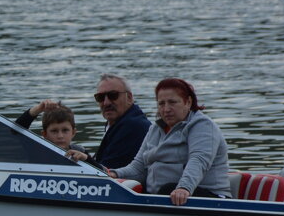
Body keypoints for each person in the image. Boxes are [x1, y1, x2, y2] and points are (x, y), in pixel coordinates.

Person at [108, 77, 231, 205]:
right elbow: (138, 168)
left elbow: (198, 160)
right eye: (161, 103)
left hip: (210, 199)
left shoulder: (203, 125)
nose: (166, 109)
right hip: (164, 198)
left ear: (188, 102)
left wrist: (184, 188)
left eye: (172, 102)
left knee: (168, 189)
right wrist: (113, 174)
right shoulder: (154, 129)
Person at [68, 74, 150, 168]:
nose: (106, 103)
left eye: (113, 95)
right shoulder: (117, 124)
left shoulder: (133, 126)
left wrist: (86, 158)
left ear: (129, 97)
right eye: (101, 98)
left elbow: (108, 172)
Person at [13, 101, 87, 152]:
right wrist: (37, 109)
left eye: (65, 130)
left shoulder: (80, 151)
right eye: (54, 131)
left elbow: (98, 170)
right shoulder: (37, 151)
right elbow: (16, 131)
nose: (60, 136)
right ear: (44, 134)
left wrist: (86, 158)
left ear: (73, 132)